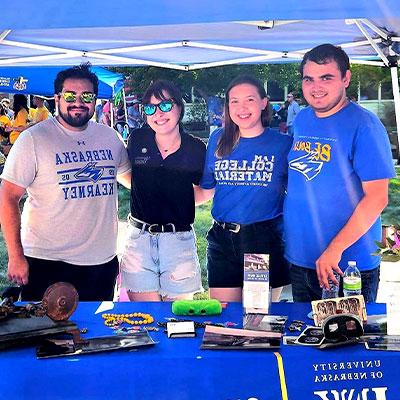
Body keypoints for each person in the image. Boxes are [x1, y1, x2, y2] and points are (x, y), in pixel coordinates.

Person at [0, 64, 131, 301]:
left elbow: (132, 181)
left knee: (94, 335)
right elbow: (8, 197)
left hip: (100, 263)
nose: (78, 102)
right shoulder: (33, 140)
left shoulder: (110, 138)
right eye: (70, 95)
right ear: (57, 98)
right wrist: (15, 255)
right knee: (44, 335)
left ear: (94, 99)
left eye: (87, 96)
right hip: (46, 261)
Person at [284, 43, 395, 302]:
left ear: (345, 79)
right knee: (305, 339)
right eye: (308, 79)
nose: (316, 87)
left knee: (347, 340)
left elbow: (377, 198)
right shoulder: (302, 119)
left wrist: (335, 249)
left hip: (347, 265)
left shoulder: (365, 125)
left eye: (326, 77)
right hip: (302, 258)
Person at [196, 75, 292, 302]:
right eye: (234, 101)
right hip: (222, 239)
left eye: (249, 100)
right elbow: (206, 189)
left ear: (263, 103)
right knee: (226, 320)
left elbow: (298, 194)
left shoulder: (282, 144)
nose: (242, 108)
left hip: (261, 240)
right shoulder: (217, 139)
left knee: (258, 320)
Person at [120, 80, 205, 301]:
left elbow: (205, 189)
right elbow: (126, 174)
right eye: (150, 108)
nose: (158, 113)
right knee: (145, 320)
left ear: (179, 107)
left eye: (165, 105)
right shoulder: (138, 139)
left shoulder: (195, 148)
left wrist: (181, 201)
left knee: (177, 323)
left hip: (178, 243)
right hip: (139, 241)